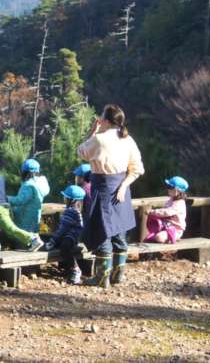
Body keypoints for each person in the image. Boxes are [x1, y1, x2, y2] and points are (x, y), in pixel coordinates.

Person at [77, 104, 144, 288]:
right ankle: (118, 274)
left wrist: (93, 131)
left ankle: (101, 277)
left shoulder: (99, 139)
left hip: (103, 187)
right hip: (122, 189)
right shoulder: (128, 139)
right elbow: (138, 169)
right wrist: (123, 186)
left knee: (102, 232)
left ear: (105, 121)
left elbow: (81, 152)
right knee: (119, 230)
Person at [44, 185, 86, 284]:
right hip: (72, 236)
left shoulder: (71, 212)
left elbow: (63, 229)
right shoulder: (75, 210)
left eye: (66, 197)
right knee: (57, 242)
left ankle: (75, 269)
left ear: (72, 200)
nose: (64, 199)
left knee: (64, 248)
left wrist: (53, 240)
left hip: (70, 237)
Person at [7, 158, 50, 250]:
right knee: (34, 247)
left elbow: (20, 200)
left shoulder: (28, 185)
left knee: (22, 249)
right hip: (34, 221)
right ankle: (34, 264)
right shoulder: (40, 183)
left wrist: (7, 198)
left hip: (23, 222)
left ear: (24, 172)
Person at [144, 176, 188, 244]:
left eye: (170, 187)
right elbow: (164, 210)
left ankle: (172, 238)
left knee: (159, 237)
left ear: (177, 190)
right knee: (150, 235)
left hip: (176, 230)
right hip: (166, 226)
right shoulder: (171, 200)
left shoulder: (179, 203)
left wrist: (152, 212)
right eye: (167, 186)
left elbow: (166, 212)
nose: (168, 189)